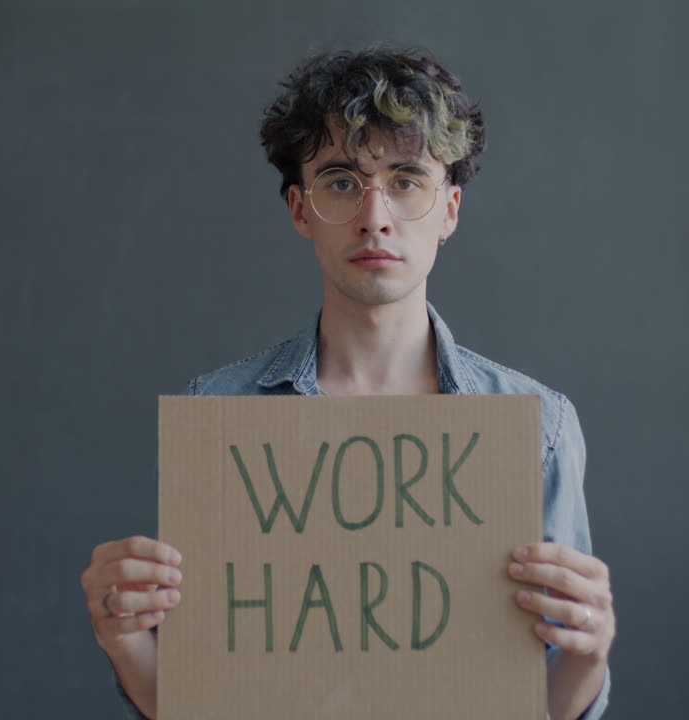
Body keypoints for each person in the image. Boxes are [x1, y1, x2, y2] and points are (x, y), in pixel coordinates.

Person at [80, 48, 614, 720]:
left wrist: (589, 655)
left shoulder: (537, 427)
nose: (375, 215)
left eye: (406, 179)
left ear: (449, 210)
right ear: (300, 211)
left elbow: (542, 708)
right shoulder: (219, 414)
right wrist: (126, 643)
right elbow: (206, 702)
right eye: (341, 182)